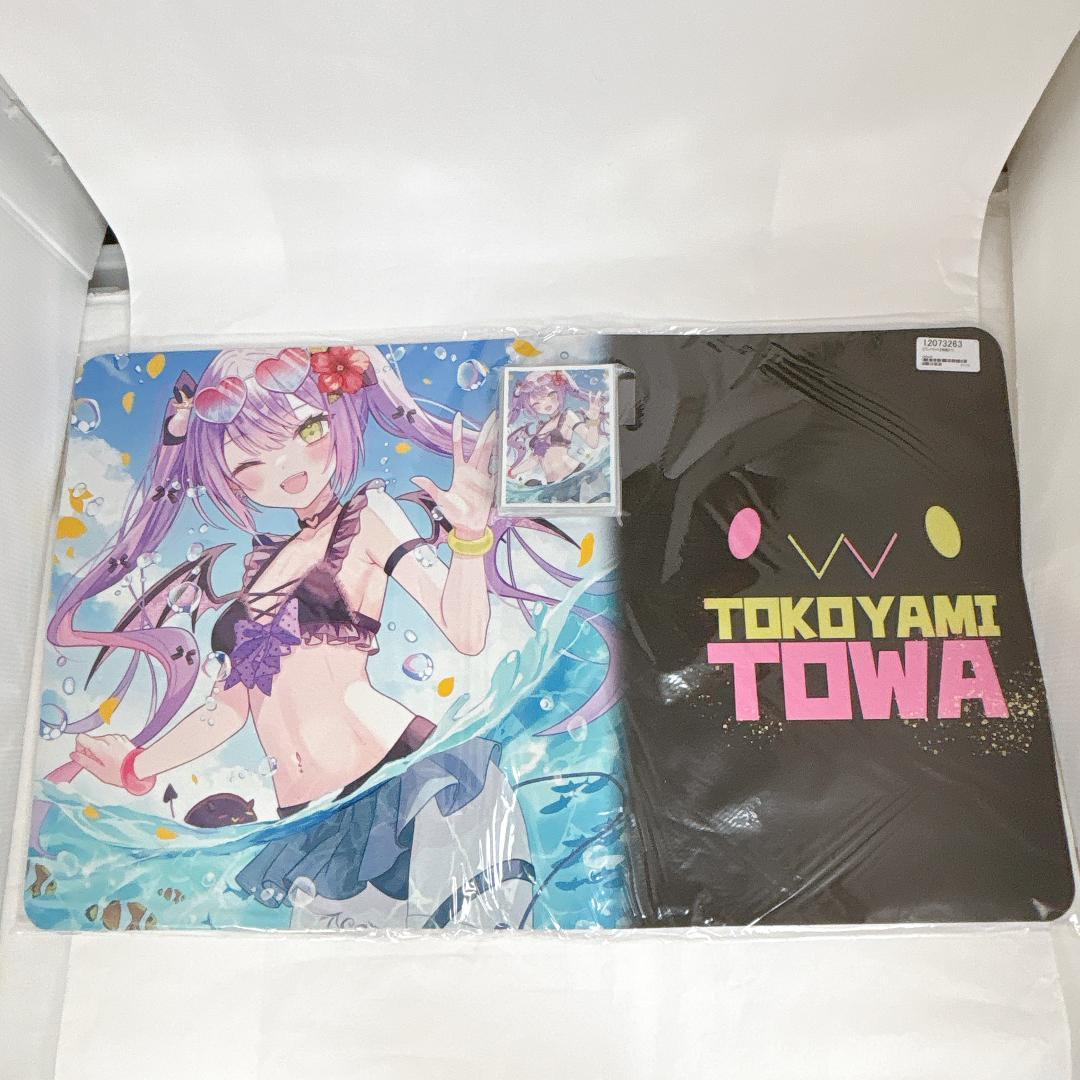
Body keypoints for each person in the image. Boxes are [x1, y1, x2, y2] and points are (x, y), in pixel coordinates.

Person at [48, 346, 614, 928]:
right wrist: (135, 766)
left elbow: (466, 633)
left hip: (405, 783)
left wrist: (470, 538)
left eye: (306, 430)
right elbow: (227, 712)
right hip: (308, 817)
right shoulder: (257, 572)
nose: (287, 463)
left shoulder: (367, 517)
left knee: (478, 951)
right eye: (252, 458)